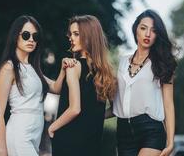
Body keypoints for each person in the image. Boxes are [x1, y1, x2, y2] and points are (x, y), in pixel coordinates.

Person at [0, 15, 74, 156]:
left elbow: (56, 88)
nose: (31, 39)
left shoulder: (34, 69)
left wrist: (63, 70)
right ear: (15, 37)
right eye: (26, 35)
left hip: (35, 135)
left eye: (35, 36)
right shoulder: (9, 68)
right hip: (19, 133)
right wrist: (2, 152)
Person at [109, 9, 177, 156]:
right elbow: (117, 102)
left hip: (151, 130)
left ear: (157, 35)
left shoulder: (162, 64)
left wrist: (170, 141)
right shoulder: (122, 62)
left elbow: (168, 104)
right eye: (143, 28)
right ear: (136, 30)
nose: (147, 34)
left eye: (153, 30)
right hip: (123, 131)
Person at [48, 15, 117, 156]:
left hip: (68, 140)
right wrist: (92, 116)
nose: (70, 38)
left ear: (88, 37)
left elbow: (74, 109)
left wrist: (52, 127)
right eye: (70, 34)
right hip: (93, 143)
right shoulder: (105, 73)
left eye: (76, 34)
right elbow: (115, 110)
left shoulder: (74, 66)